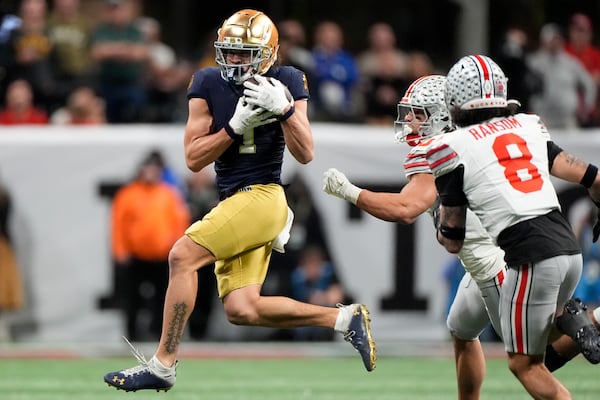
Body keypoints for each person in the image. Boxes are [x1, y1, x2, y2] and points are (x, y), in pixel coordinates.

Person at [103, 9, 376, 393]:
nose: (234, 60)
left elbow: (306, 153)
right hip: (234, 199)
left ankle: (163, 364)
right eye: (229, 52)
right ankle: (343, 319)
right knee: (242, 309)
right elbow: (194, 157)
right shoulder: (207, 82)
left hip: (265, 196)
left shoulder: (287, 79)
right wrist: (234, 127)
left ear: (267, 54)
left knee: (182, 256)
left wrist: (283, 110)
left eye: (244, 52)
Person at [322, 74, 600, 400]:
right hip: (489, 264)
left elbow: (406, 208)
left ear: (443, 114)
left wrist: (352, 192)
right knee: (462, 329)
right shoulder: (478, 138)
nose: (409, 120)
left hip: (500, 264)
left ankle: (592, 317)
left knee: (537, 356)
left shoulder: (442, 150)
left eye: (419, 113)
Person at [424, 54, 600, 399]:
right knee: (541, 351)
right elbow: (592, 178)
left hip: (530, 254)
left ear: (455, 100)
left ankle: (590, 321)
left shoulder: (450, 147)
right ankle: (587, 322)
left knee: (525, 364)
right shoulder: (526, 125)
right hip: (567, 247)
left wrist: (441, 222)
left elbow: (453, 240)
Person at [110, 151, 191, 341]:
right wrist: (120, 251)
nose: (151, 173)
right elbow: (118, 225)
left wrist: (178, 250)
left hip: (162, 257)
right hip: (136, 256)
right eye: (148, 169)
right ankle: (132, 335)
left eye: (155, 169)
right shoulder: (128, 194)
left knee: (163, 299)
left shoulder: (168, 194)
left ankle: (159, 335)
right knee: (132, 299)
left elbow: (179, 222)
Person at [526, 23, 596, 130]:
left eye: (557, 39)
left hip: (567, 120)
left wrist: (586, 109)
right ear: (543, 40)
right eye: (551, 39)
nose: (554, 43)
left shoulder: (571, 62)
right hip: (543, 120)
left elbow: (589, 84)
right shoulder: (533, 62)